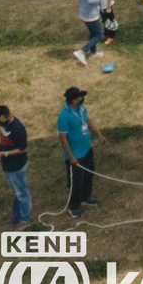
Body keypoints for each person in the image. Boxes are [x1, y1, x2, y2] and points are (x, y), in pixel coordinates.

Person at [57, 85, 103, 217]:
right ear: (72, 100)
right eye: (79, 97)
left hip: (87, 149)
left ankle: (86, 196)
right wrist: (71, 156)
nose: (82, 98)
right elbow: (63, 138)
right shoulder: (64, 116)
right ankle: (74, 206)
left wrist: (99, 135)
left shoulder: (81, 108)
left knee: (89, 174)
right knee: (77, 181)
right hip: (76, 155)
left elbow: (88, 121)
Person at [0, 104, 30, 226]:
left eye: (1, 121)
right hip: (7, 165)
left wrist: (4, 154)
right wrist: (0, 156)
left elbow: (23, 149)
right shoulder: (5, 125)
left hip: (16, 166)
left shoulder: (17, 129)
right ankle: (16, 216)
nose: (0, 124)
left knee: (22, 194)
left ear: (8, 116)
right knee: (16, 193)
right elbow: (5, 142)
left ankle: (25, 220)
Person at [72, 0, 106, 64]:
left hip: (84, 14)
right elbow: (92, 0)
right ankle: (82, 52)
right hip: (91, 16)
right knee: (99, 34)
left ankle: (93, 53)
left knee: (93, 33)